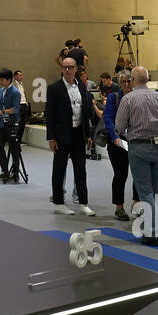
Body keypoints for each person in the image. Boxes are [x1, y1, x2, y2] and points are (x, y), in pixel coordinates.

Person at [115, 65, 158, 245]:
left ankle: (152, 232)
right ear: (148, 79)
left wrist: (126, 133)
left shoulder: (128, 99)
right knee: (155, 191)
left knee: (145, 192)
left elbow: (119, 126)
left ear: (133, 81)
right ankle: (154, 227)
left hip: (138, 148)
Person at [45, 56, 95, 216]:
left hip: (78, 134)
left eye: (70, 67)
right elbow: (49, 115)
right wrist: (51, 138)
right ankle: (59, 203)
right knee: (59, 169)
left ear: (76, 69)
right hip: (61, 136)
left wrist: (88, 134)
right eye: (65, 67)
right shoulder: (54, 88)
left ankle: (83, 203)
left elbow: (85, 112)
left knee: (81, 170)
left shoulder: (81, 87)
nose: (67, 70)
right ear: (62, 69)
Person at [98, 71, 134, 221]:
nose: (126, 84)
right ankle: (119, 208)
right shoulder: (114, 97)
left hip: (135, 142)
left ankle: (138, 204)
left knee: (139, 175)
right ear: (119, 83)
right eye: (123, 81)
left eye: (129, 81)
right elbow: (107, 118)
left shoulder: (137, 97)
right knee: (120, 175)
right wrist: (115, 137)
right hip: (117, 142)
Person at [0, 69, 21, 184]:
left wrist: (2, 112)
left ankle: (15, 172)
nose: (0, 81)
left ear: (9, 79)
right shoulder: (1, 90)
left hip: (12, 124)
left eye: (2, 79)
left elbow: (16, 109)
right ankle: (5, 171)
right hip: (1, 124)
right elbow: (1, 105)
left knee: (14, 149)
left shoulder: (15, 92)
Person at [13, 69, 30, 138]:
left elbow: (23, 94)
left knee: (23, 123)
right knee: (18, 123)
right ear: (15, 77)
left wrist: (26, 103)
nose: (21, 77)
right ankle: (15, 139)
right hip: (18, 105)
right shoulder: (13, 85)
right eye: (20, 75)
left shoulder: (22, 84)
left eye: (21, 75)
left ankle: (20, 139)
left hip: (24, 105)